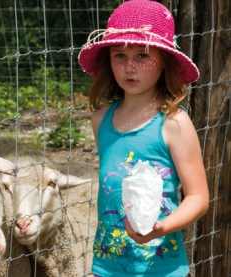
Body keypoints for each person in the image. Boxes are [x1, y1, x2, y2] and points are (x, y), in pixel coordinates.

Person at [77, 0, 209, 276]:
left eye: (142, 55)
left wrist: (163, 227)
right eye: (119, 55)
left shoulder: (174, 123)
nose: (130, 66)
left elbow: (198, 197)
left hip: (161, 268)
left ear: (165, 61)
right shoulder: (101, 120)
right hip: (107, 266)